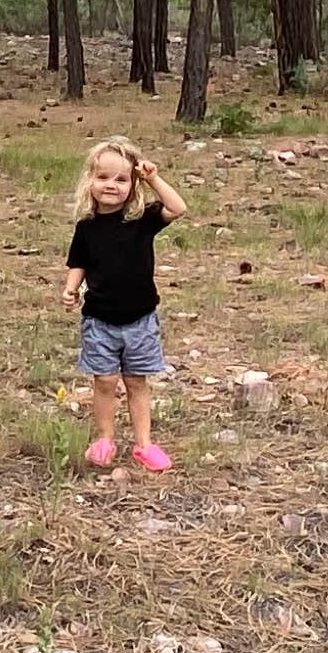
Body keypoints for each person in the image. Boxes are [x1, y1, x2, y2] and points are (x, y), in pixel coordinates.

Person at [61, 136, 186, 473]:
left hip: (140, 320)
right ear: (90, 181)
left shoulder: (142, 220)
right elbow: (79, 262)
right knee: (104, 382)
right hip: (99, 321)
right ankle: (105, 438)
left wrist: (152, 178)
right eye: (103, 177)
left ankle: (144, 444)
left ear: (132, 185)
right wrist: (71, 288)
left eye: (121, 179)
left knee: (136, 382)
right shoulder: (86, 227)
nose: (111, 185)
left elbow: (178, 208)